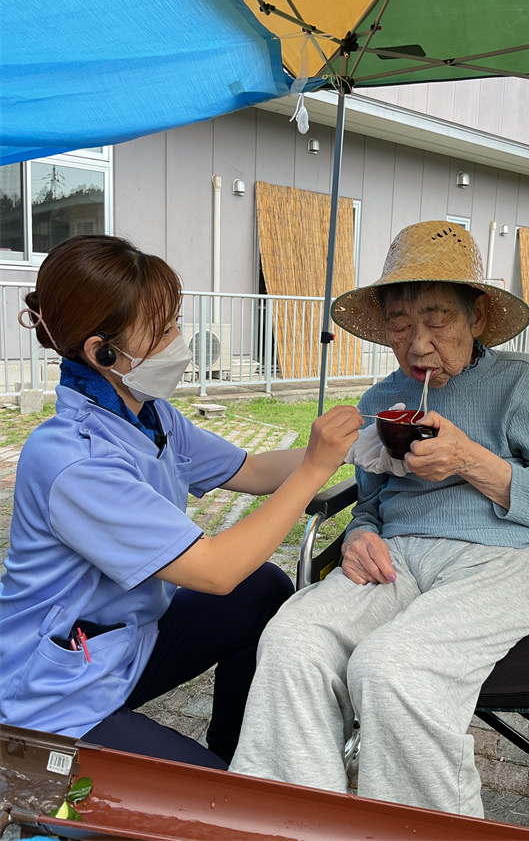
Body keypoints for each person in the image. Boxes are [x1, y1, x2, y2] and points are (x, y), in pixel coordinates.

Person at [229, 221, 529, 816]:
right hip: (399, 560)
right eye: (399, 324)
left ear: (476, 318)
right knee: (292, 641)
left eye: (436, 319)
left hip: (505, 560)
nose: (417, 342)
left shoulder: (517, 381)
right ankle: (300, 826)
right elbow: (369, 502)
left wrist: (471, 459)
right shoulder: (381, 401)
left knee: (391, 669)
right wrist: (361, 535)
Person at [0, 234, 362, 770]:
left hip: (127, 645)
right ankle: (29, 771)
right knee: (219, 814)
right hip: (54, 697)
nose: (178, 339)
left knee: (263, 589)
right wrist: (314, 469)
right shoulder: (75, 461)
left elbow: (253, 470)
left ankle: (239, 755)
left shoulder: (149, 415)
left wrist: (362, 444)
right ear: (103, 352)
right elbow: (215, 570)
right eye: (162, 329)